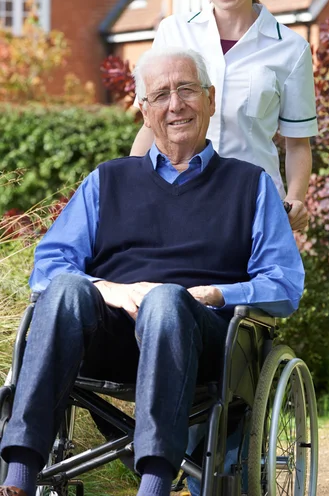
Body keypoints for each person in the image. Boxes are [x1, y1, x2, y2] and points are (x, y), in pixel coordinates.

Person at [0, 48, 304, 496]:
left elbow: (284, 283)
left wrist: (213, 295)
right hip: (109, 338)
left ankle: (155, 485)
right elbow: (47, 266)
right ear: (144, 110)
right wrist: (109, 290)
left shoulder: (250, 184)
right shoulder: (108, 180)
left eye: (186, 90)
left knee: (165, 298)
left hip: (200, 342)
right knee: (65, 288)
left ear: (210, 98)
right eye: (160, 94)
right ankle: (21, 474)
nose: (175, 104)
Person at [131, 0, 318, 232]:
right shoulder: (173, 33)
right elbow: (151, 125)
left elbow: (298, 144)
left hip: (254, 206)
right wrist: (129, 185)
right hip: (175, 199)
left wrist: (297, 198)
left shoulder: (291, 48)